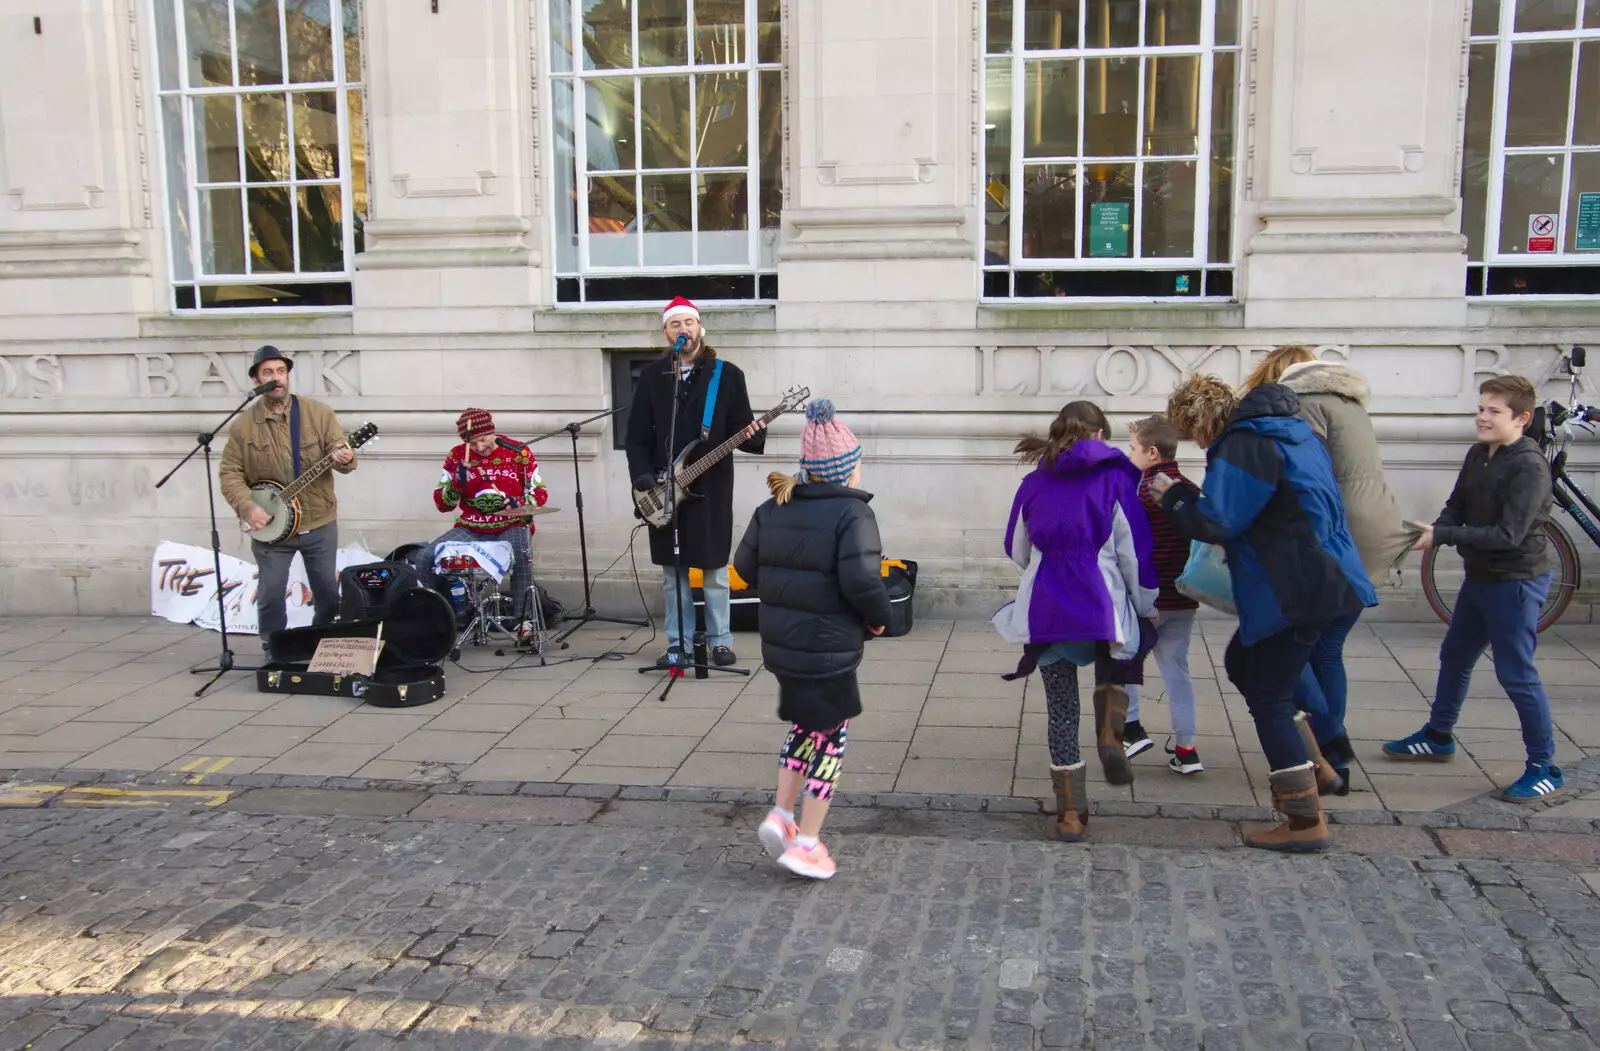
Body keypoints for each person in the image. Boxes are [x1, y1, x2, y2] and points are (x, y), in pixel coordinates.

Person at [1149, 375, 1376, 851]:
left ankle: (1303, 820)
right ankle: (1322, 765)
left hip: (1295, 590)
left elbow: (1217, 521)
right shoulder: (1293, 432)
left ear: (1201, 421)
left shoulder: (1244, 445)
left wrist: (1173, 495)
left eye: (1192, 433)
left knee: (1269, 696)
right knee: (1244, 665)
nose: (1197, 443)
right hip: (1325, 580)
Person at [1243, 345, 1418, 792]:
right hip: (1374, 528)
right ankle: (1327, 751)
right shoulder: (1348, 403)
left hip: (1342, 535)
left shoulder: (1304, 407)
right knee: (1325, 647)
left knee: (1305, 648)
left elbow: (1301, 476)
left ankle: (1328, 754)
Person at [1384, 374, 1564, 804]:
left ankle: (1545, 766)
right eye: (1480, 408)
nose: (1482, 418)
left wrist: (1445, 536)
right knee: (1455, 655)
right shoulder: (1479, 453)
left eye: (1493, 411)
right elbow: (1458, 504)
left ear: (1521, 419)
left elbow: (1508, 535)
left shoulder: (1529, 465)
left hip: (1515, 582)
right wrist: (1440, 528)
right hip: (1481, 578)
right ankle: (1439, 735)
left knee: (1516, 675)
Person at [734, 400, 890, 880]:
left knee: (806, 726)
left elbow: (743, 569)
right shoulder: (852, 515)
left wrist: (785, 593)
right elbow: (863, 582)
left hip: (784, 645)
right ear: (845, 469)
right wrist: (881, 619)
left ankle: (782, 813)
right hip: (829, 648)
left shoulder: (773, 507)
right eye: (857, 462)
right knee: (832, 740)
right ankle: (806, 841)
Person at [992, 401, 1158, 842]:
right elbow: (1134, 552)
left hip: (1047, 606)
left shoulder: (1033, 482)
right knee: (1125, 650)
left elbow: (1017, 549)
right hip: (1100, 602)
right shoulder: (1118, 478)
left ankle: (1070, 814)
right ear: (1101, 435)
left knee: (1061, 709)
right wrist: (1145, 602)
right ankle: (1110, 733)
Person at [626, 296, 766, 669]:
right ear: (665, 332)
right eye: (675, 324)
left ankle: (720, 641)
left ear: (700, 328)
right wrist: (641, 477)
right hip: (664, 489)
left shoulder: (727, 374)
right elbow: (637, 435)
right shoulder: (654, 377)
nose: (682, 330)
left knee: (715, 570)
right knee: (674, 574)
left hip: (712, 487)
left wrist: (753, 435)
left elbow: (744, 430)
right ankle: (678, 643)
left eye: (688, 323)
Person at [219, 345, 357, 660]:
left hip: (318, 520)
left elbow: (340, 451)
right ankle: (274, 647)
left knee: (325, 592)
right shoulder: (243, 426)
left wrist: (346, 457)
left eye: (281, 371)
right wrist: (247, 506)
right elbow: (230, 472)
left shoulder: (318, 413)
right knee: (269, 594)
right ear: (256, 381)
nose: (276, 378)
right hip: (272, 528)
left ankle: (321, 644)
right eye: (268, 372)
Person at [409, 408, 549, 632]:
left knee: (522, 553)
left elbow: (540, 493)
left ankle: (524, 622)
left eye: (483, 440)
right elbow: (443, 505)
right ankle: (438, 618)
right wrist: (456, 483)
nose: (479, 448)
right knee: (426, 556)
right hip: (471, 525)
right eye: (472, 444)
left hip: (511, 523)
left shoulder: (518, 452)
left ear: (492, 432)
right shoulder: (456, 456)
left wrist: (519, 503)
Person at [1122, 414, 1204, 775]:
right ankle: (1187, 749)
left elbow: (1131, 548)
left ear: (1151, 452)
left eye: (1132, 448)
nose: (1128, 455)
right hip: (1183, 596)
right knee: (1177, 671)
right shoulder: (1189, 489)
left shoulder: (1141, 492)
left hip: (1147, 596)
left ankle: (1131, 729)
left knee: (1124, 663)